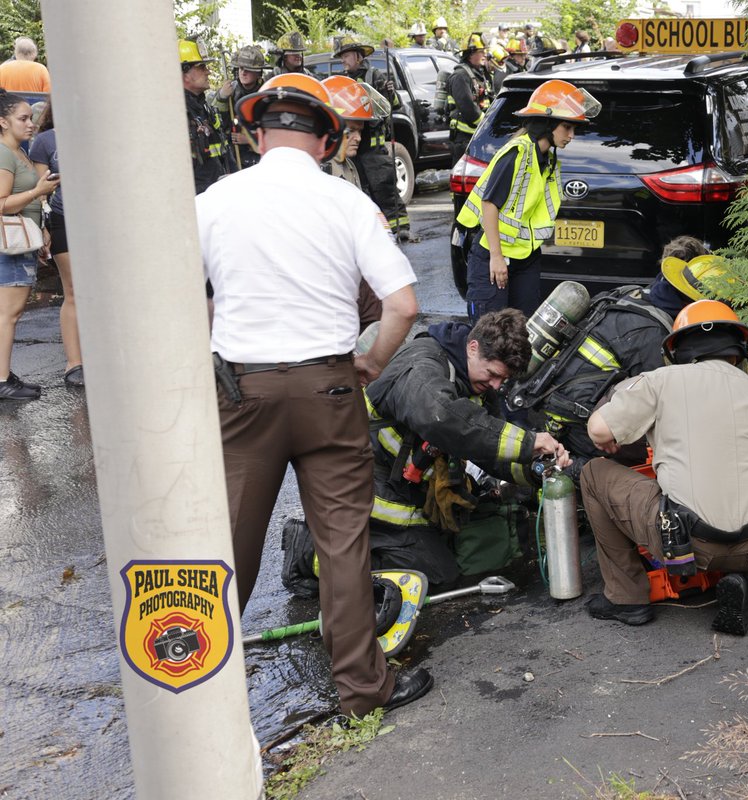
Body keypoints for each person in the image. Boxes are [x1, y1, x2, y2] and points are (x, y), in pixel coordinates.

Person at [195, 72, 430, 717]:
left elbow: (179, 295)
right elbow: (403, 305)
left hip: (243, 390)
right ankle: (362, 688)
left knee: (226, 545)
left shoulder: (213, 199)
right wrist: (369, 365)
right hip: (330, 386)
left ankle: (195, 689)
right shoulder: (346, 203)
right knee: (344, 544)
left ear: (255, 134)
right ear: (327, 143)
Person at [580, 300, 748, 635]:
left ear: (677, 350)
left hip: (687, 544)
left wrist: (609, 425)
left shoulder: (660, 380)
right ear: (739, 352)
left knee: (593, 473)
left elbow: (599, 432)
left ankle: (627, 598)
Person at [355, 309, 570, 586]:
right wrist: (527, 442)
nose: (495, 385)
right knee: (435, 576)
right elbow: (442, 419)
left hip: (411, 485)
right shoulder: (422, 365)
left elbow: (487, 445)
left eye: (502, 380)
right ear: (472, 347)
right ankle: (318, 552)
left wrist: (537, 466)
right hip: (369, 487)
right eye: (492, 374)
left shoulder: (473, 381)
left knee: (471, 554)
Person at [507, 237, 723, 467]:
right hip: (578, 425)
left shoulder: (630, 294)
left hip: (545, 402)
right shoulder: (654, 336)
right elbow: (658, 410)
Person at [455, 79, 600, 321]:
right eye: (567, 127)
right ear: (546, 124)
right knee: (491, 335)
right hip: (495, 255)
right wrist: (497, 257)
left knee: (521, 330)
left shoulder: (547, 161)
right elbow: (489, 204)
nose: (572, 135)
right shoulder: (517, 154)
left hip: (525, 257)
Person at [0, 90, 59, 401]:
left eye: (30, 118)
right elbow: (3, 203)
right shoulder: (5, 153)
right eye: (22, 119)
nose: (31, 123)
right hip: (8, 244)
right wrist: (38, 190)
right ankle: (1, 379)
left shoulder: (18, 151)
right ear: (3, 122)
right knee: (7, 314)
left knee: (12, 312)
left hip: (22, 241)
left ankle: (5, 373)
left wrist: (42, 229)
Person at [321, 74, 391, 329]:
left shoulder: (347, 165)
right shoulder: (321, 171)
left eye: (360, 131)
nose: (358, 138)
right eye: (351, 131)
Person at [336, 40, 412, 243]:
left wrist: (389, 92)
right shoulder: (342, 81)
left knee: (384, 188)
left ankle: (401, 227)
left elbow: (392, 106)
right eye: (341, 56)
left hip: (373, 147)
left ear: (358, 57)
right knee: (361, 191)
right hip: (353, 148)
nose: (343, 60)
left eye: (346, 55)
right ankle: (373, 231)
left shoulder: (374, 76)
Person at [28, 101, 81, 387]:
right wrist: (44, 227)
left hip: (103, 222)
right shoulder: (45, 141)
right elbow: (40, 191)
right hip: (64, 218)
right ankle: (74, 364)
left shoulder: (95, 132)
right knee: (73, 290)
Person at [180, 39, 228, 194]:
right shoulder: (176, 114)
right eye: (201, 67)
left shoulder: (204, 108)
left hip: (216, 195)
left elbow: (224, 153)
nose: (208, 71)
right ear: (184, 73)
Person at [213, 45, 267, 170]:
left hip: (261, 160)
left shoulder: (266, 93)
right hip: (236, 159)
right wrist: (222, 98)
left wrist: (249, 139)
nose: (243, 72)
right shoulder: (230, 91)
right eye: (241, 68)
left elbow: (274, 132)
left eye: (248, 69)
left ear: (258, 72)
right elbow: (217, 122)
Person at [446, 33, 492, 168]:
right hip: (464, 139)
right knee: (464, 180)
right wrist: (487, 125)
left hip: (476, 136)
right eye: (481, 52)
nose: (484, 54)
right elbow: (468, 109)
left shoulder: (479, 74)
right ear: (471, 54)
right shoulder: (460, 76)